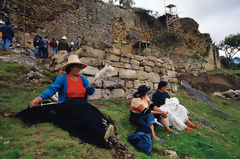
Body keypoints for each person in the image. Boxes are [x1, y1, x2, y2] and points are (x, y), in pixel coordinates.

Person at [18, 55, 114, 148]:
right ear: (71, 67)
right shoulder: (62, 79)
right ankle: (99, 133)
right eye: (78, 67)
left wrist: (91, 88)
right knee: (84, 117)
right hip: (67, 106)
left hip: (82, 104)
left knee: (93, 112)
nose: (80, 69)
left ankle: (104, 128)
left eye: (80, 67)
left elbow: (90, 92)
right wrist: (39, 98)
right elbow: (51, 90)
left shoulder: (83, 79)